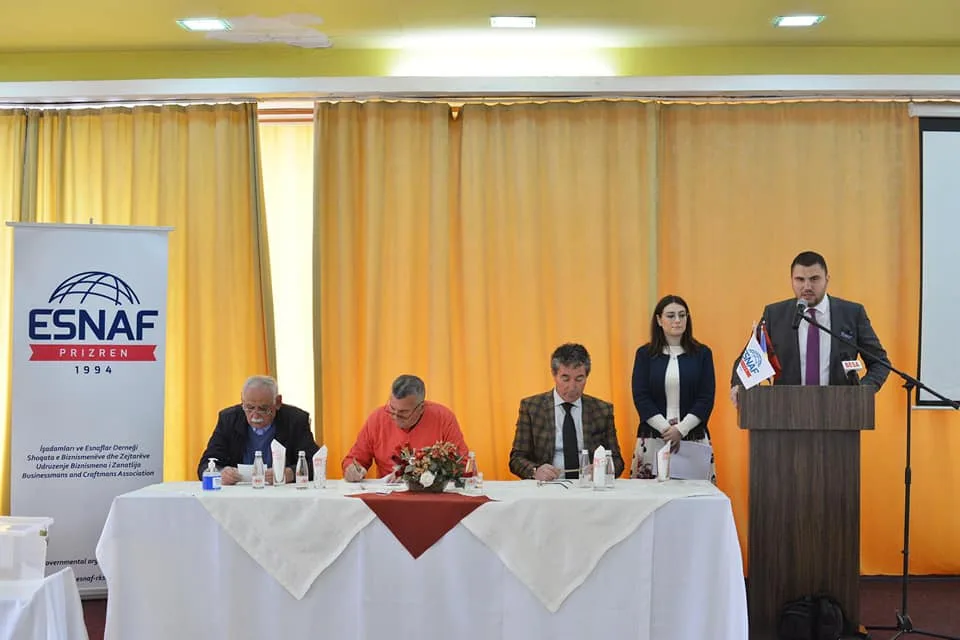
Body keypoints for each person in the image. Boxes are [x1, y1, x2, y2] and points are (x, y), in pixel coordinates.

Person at [730, 250, 890, 406]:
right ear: (791, 281)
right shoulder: (775, 315)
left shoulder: (852, 313)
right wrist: (739, 385)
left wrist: (862, 392)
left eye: (814, 279)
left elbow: (880, 362)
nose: (807, 286)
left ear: (827, 279)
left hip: (840, 410)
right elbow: (748, 360)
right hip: (786, 411)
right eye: (800, 279)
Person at [631, 295, 716, 481]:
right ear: (659, 320)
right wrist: (666, 430)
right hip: (653, 438)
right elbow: (641, 397)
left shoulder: (702, 354)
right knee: (650, 496)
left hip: (692, 438)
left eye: (682, 315)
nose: (677, 320)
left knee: (694, 497)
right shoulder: (645, 354)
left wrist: (681, 430)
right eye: (670, 316)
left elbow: (706, 397)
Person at [509, 343, 625, 481]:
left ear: (587, 376)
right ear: (554, 375)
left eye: (579, 379)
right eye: (565, 378)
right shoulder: (532, 407)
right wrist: (535, 471)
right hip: (548, 486)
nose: (572, 387)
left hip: (588, 485)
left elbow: (617, 461)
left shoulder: (602, 410)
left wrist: (603, 469)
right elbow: (516, 459)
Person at [342, 374, 469, 481]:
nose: (395, 416)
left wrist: (419, 475)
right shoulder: (377, 419)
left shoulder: (443, 418)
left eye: (403, 413)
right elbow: (354, 460)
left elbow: (463, 465)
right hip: (387, 495)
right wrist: (352, 470)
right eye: (392, 408)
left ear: (421, 408)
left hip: (430, 494)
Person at [196, 375, 319, 485]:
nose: (255, 415)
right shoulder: (229, 419)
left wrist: (290, 473)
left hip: (280, 491)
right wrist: (220, 473)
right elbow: (205, 464)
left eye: (263, 409)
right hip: (238, 492)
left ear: (277, 402)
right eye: (249, 408)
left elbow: (315, 462)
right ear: (242, 401)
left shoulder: (295, 420)